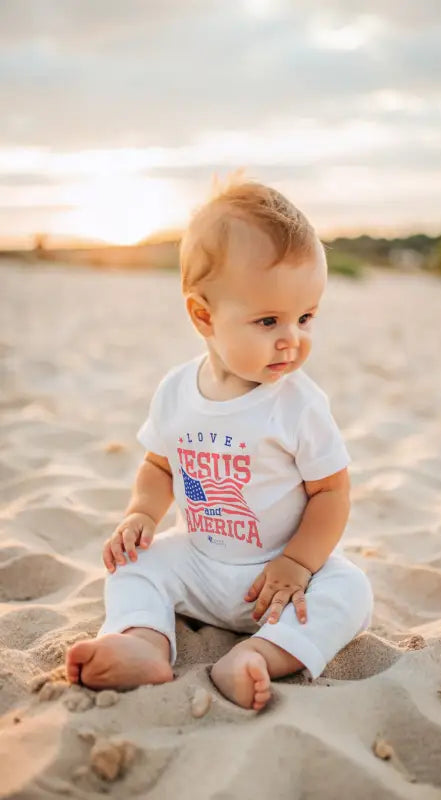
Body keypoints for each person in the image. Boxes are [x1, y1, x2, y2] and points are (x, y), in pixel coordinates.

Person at [66, 178, 373, 710]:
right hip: (203, 560)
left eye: (306, 318)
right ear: (204, 316)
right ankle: (144, 642)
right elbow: (160, 466)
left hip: (281, 574)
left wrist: (299, 564)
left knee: (351, 592)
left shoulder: (299, 403)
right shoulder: (176, 392)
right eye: (268, 321)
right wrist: (142, 512)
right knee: (133, 566)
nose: (292, 339)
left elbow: (332, 493)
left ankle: (257, 655)